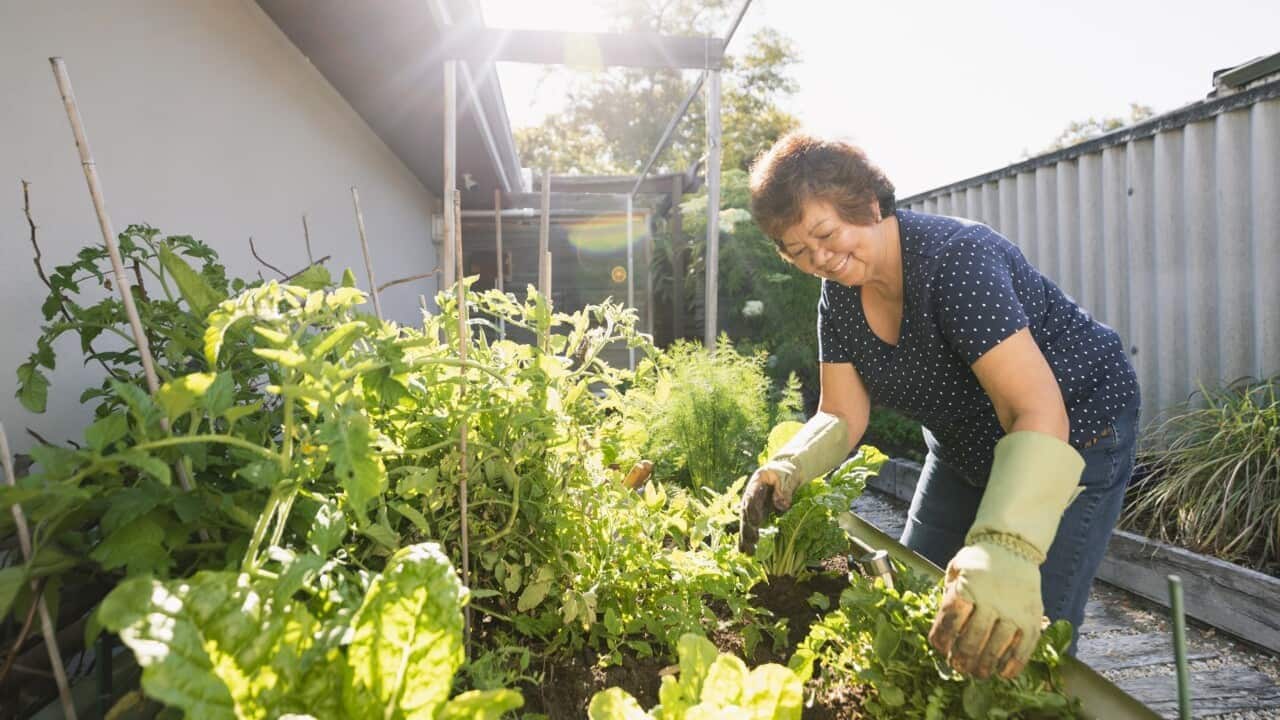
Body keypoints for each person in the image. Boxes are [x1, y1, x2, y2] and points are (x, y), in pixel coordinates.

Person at [738, 132, 1139, 680]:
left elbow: (1034, 409)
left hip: (1074, 429)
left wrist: (1006, 546)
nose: (821, 260)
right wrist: (786, 467)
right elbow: (840, 413)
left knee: (1015, 634)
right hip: (965, 444)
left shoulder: (956, 262)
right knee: (911, 600)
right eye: (799, 253)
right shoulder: (839, 296)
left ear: (869, 205)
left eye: (826, 235)